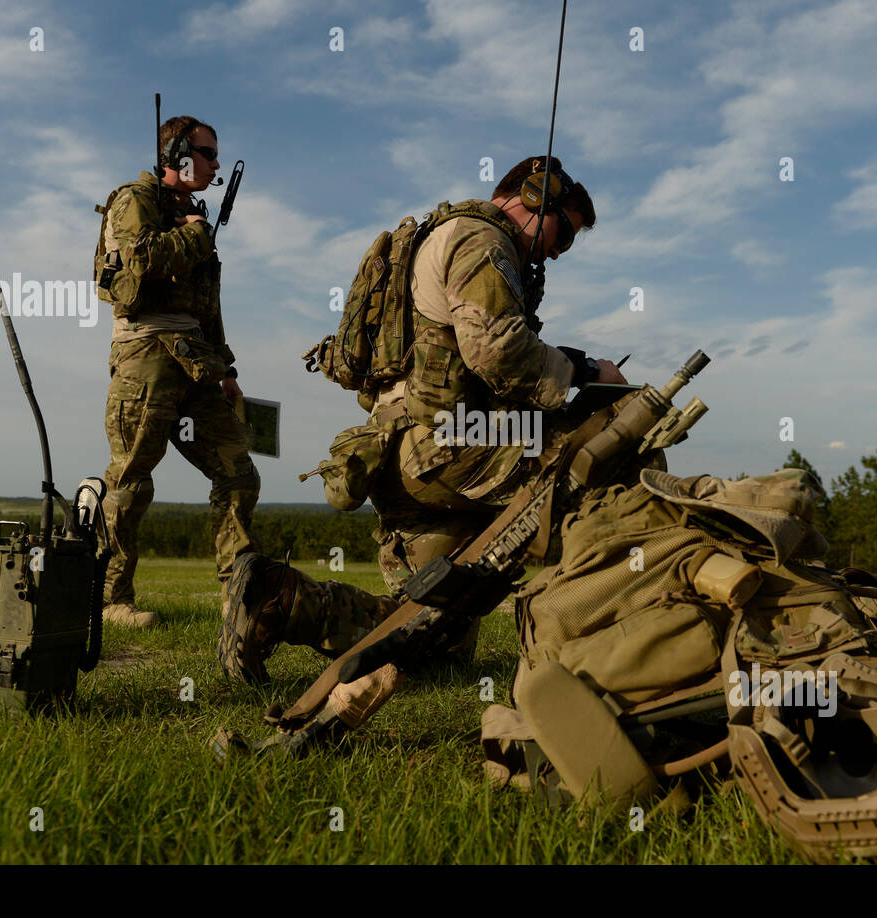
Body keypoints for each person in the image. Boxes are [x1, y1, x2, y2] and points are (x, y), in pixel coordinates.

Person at [220, 156, 625, 687]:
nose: (558, 249)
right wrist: (589, 370)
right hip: (451, 447)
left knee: (432, 641)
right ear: (532, 197)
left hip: (395, 456)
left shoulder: (434, 241)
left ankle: (279, 598)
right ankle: (630, 641)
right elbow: (496, 349)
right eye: (563, 231)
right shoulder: (482, 240)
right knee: (613, 454)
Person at [96, 115, 260, 628]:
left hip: (194, 360)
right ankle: (110, 600)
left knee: (238, 473)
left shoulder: (193, 215)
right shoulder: (135, 199)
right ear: (177, 155)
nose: (214, 164)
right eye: (208, 153)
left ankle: (239, 593)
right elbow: (137, 264)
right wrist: (192, 237)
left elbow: (207, 304)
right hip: (145, 356)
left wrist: (225, 366)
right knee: (131, 479)